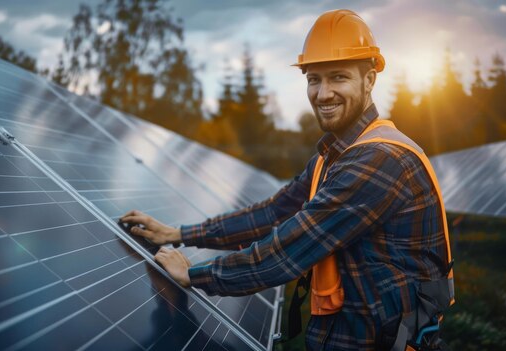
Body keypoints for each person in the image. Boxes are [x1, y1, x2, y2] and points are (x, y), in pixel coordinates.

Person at [120, 9, 454, 351]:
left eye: (338, 77)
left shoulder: (379, 160)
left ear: (369, 80)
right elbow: (272, 214)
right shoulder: (333, 156)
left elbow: (286, 252)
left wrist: (194, 275)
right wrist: (178, 234)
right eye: (314, 79)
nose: (323, 94)